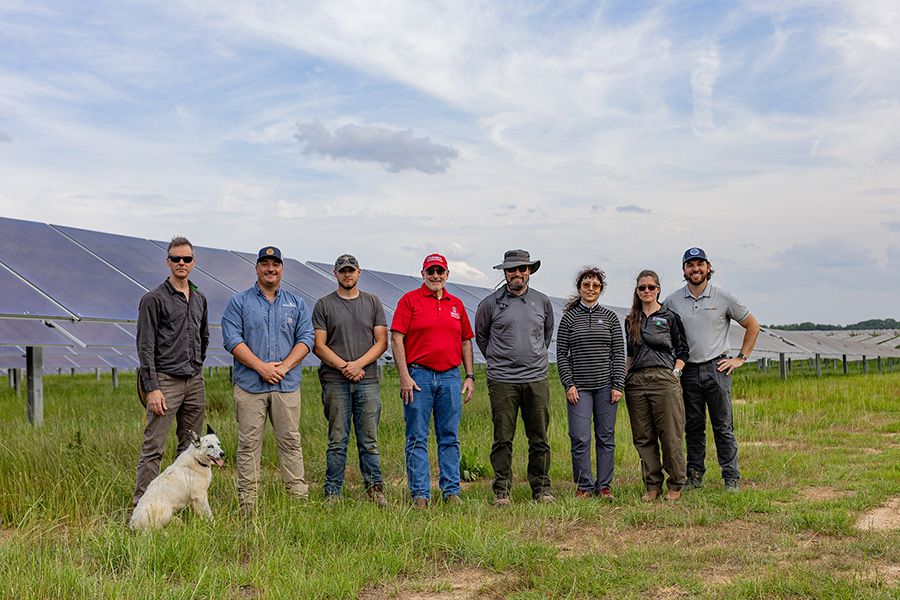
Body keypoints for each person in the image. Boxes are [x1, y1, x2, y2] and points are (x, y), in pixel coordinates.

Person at [221, 246, 315, 513]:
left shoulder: (296, 304)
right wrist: (261, 367)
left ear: (282, 268)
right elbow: (232, 339)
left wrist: (283, 367)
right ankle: (248, 503)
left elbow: (306, 339)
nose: (270, 269)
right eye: (265, 264)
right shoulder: (239, 302)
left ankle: (298, 500)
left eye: (275, 264)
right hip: (250, 386)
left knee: (290, 441)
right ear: (257, 268)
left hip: (286, 386)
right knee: (248, 444)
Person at [664, 247, 760, 493]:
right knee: (693, 427)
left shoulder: (723, 297)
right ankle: (695, 476)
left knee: (723, 426)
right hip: (687, 372)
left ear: (708, 267)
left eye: (700, 264)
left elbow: (752, 325)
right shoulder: (673, 301)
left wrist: (740, 357)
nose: (695, 269)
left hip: (717, 368)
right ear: (684, 270)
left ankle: (731, 477)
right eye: (690, 265)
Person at [389, 253, 475, 509]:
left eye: (440, 271)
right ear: (423, 274)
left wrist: (469, 376)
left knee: (449, 435)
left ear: (447, 274)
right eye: (431, 271)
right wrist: (404, 376)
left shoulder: (456, 305)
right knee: (416, 436)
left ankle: (451, 491)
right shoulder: (409, 301)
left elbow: (466, 341)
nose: (435, 276)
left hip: (450, 375)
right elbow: (396, 338)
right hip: (419, 376)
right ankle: (420, 494)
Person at [475, 249, 556, 505]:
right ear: (504, 272)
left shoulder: (542, 302)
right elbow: (482, 337)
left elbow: (545, 335)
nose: (517, 274)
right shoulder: (490, 304)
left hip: (536, 378)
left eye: (522, 269)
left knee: (539, 437)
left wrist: (532, 357)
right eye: (512, 270)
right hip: (502, 380)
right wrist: (500, 361)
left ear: (530, 271)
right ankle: (502, 490)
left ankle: (541, 489)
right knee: (503, 438)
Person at [133, 236, 209, 506]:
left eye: (186, 259)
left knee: (190, 448)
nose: (181, 263)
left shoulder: (199, 298)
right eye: (176, 258)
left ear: (193, 262)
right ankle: (142, 509)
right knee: (154, 447)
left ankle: (182, 503)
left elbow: (204, 337)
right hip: (165, 382)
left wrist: (197, 367)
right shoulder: (153, 299)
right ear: (167, 262)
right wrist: (152, 387)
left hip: (194, 380)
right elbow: (145, 346)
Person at [312, 254, 389, 507]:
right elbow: (319, 346)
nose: (347, 274)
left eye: (351, 270)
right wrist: (345, 366)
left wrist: (358, 365)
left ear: (359, 272)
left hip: (367, 380)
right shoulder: (324, 305)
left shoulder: (373, 302)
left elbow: (381, 342)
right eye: (342, 270)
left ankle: (375, 490)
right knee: (337, 440)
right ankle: (332, 493)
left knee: (369, 440)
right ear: (335, 273)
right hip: (335, 380)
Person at [556, 267, 625, 500]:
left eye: (595, 286)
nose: (591, 289)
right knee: (580, 436)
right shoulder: (569, 318)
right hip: (580, 389)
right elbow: (561, 354)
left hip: (606, 387)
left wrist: (618, 385)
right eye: (586, 285)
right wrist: (569, 384)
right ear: (580, 288)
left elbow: (618, 353)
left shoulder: (610, 317)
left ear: (601, 290)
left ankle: (604, 486)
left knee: (605, 437)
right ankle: (584, 485)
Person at [624, 270, 690, 502]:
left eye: (651, 287)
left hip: (664, 379)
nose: (647, 291)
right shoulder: (631, 319)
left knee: (670, 434)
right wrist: (625, 378)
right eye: (642, 288)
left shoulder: (670, 317)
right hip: (637, 382)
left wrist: (676, 372)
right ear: (637, 291)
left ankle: (676, 484)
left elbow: (683, 350)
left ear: (658, 289)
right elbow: (630, 354)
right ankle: (652, 485)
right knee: (643, 436)